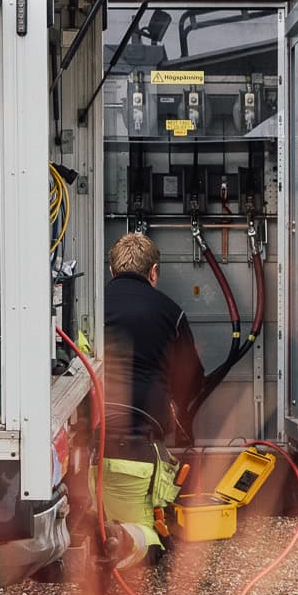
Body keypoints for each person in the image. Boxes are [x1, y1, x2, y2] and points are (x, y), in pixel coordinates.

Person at [99, 232, 204, 562]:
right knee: (151, 546)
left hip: (90, 438)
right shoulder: (170, 312)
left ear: (111, 271)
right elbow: (192, 378)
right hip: (144, 440)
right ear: (154, 272)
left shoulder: (88, 304)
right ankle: (128, 542)